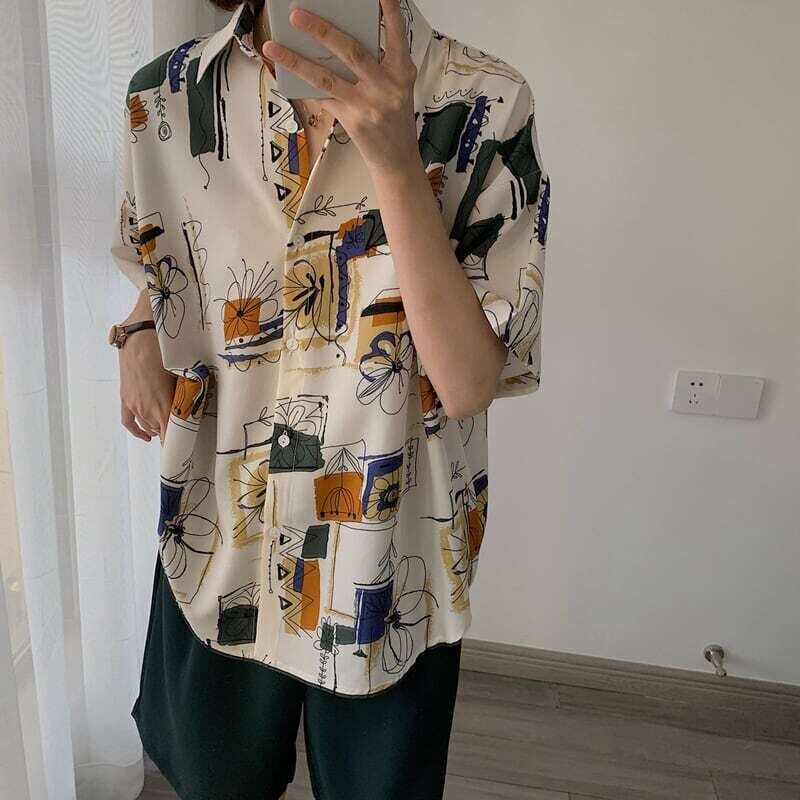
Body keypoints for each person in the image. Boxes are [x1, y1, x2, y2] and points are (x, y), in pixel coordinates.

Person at [110, 0, 550, 797]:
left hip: (389, 545)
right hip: (221, 527)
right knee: (216, 781)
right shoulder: (166, 95)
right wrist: (138, 328)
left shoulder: (483, 101)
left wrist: (396, 165)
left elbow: (467, 382)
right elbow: (168, 252)